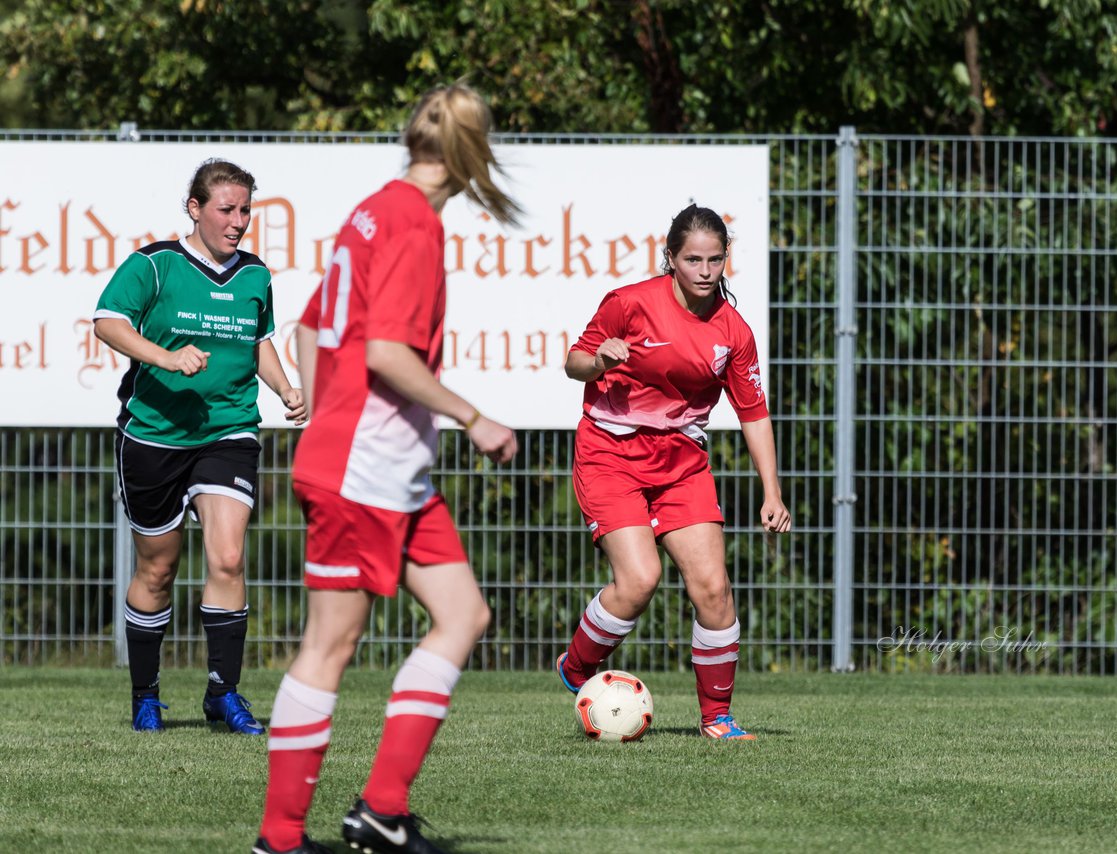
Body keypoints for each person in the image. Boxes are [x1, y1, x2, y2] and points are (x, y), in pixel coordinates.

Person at [254, 83, 520, 854]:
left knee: (463, 613)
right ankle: (278, 840)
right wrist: (474, 417)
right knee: (330, 643)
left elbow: (311, 325)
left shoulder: (372, 208)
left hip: (388, 467)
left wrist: (313, 400)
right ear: (472, 152)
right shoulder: (411, 223)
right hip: (361, 469)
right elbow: (386, 354)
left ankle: (380, 812)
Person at [555, 203, 791, 741]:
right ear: (671, 259)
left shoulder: (733, 332)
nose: (705, 271)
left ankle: (717, 718)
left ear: (726, 259)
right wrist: (598, 362)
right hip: (610, 455)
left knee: (714, 588)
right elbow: (574, 361)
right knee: (639, 581)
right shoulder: (629, 303)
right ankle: (576, 664)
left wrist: (772, 493)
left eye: (715, 260)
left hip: (681, 462)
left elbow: (754, 414)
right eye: (692, 260)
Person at [94, 159, 307, 735]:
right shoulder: (155, 265)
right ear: (195, 209)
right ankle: (145, 694)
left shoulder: (255, 275)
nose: (238, 222)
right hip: (155, 434)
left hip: (229, 429)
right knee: (158, 567)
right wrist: (165, 357)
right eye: (226, 210)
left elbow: (256, 339)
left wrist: (286, 387)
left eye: (245, 211)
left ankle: (224, 692)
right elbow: (107, 322)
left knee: (229, 556)